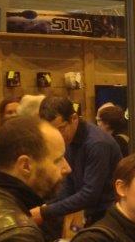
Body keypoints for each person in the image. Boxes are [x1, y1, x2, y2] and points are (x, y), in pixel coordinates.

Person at [36, 96, 121, 228]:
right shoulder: (70, 138)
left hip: (110, 218)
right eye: (52, 131)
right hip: (94, 215)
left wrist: (45, 212)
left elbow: (90, 195)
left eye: (61, 128)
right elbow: (68, 186)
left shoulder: (97, 144)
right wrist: (45, 207)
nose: (57, 135)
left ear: (74, 118)